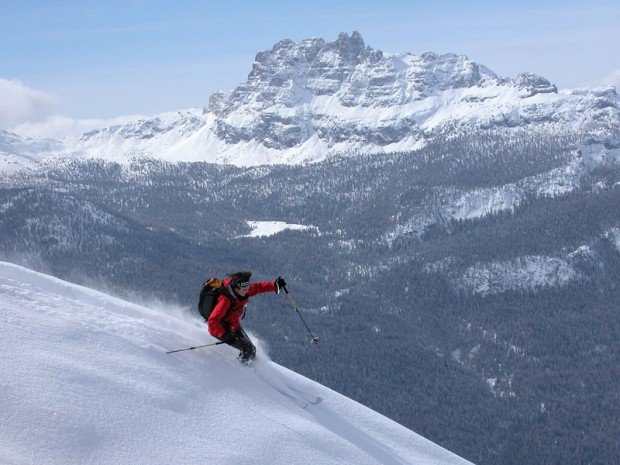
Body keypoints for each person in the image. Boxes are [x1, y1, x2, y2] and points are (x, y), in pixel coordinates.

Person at [207, 270, 286, 363]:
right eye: (245, 289)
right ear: (236, 288)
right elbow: (212, 321)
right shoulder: (225, 300)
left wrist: (275, 285)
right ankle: (240, 371)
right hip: (221, 328)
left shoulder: (243, 289)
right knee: (247, 350)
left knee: (252, 350)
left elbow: (258, 287)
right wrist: (224, 335)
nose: (248, 290)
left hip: (233, 324)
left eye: (248, 287)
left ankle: (244, 367)